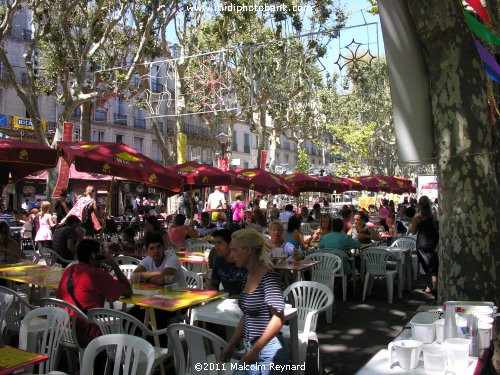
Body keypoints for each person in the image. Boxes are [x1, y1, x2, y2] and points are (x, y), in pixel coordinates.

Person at [221, 229, 288, 373]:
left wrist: (256, 349)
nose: (230, 254)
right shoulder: (248, 277)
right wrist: (231, 344)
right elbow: (247, 315)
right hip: (252, 348)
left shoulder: (269, 278)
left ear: (248, 251)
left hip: (269, 351)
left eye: (234, 249)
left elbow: (278, 318)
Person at [56, 239, 132, 347]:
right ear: (93, 255)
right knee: (128, 323)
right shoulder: (96, 275)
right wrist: (114, 264)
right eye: (101, 253)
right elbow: (128, 291)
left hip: (64, 330)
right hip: (87, 334)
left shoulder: (70, 270)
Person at [409, 196, 439, 297]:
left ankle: (429, 286)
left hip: (422, 244)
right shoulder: (435, 215)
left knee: (426, 266)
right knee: (434, 265)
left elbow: (413, 231)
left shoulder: (418, 217)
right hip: (433, 243)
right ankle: (434, 286)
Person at [208, 229, 247, 296]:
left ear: (230, 244)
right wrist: (214, 297)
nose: (216, 247)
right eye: (215, 243)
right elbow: (214, 283)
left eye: (219, 243)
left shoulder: (244, 260)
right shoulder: (218, 259)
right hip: (227, 301)